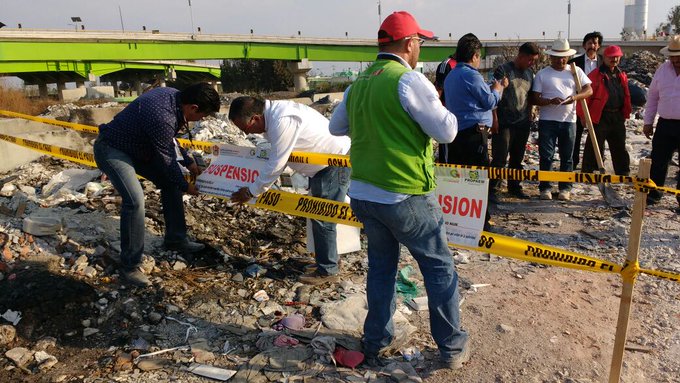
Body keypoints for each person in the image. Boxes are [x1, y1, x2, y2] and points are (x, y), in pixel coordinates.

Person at [329, 11, 469, 370]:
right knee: (439, 270)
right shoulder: (408, 80)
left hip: (364, 195)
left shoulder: (358, 84)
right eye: (419, 42)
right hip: (404, 194)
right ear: (409, 44)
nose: (419, 48)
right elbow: (447, 131)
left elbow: (336, 127)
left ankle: (376, 341)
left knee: (381, 269)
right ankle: (452, 349)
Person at [94, 82, 220, 287]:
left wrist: (188, 161)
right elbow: (166, 159)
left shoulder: (174, 96)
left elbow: (169, 140)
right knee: (135, 201)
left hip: (138, 148)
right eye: (202, 115)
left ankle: (176, 239)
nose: (202, 120)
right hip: (112, 149)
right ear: (193, 108)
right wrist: (185, 185)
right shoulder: (162, 114)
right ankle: (129, 267)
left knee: (169, 184)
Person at [228, 96, 351, 285]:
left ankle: (328, 270)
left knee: (322, 218)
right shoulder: (275, 116)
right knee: (317, 216)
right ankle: (326, 261)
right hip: (323, 167)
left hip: (332, 165)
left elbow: (277, 163)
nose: (247, 134)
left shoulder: (283, 119)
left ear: (255, 118)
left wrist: (251, 191)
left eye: (246, 129)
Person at [444, 33, 507, 222]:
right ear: (474, 56)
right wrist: (498, 89)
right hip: (474, 134)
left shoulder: (452, 75)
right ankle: (481, 221)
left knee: (460, 180)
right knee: (478, 180)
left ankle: (462, 220)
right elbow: (488, 101)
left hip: (457, 134)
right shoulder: (471, 74)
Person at [530, 38, 593, 201]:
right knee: (546, 156)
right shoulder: (543, 74)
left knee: (567, 156)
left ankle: (565, 188)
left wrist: (574, 97)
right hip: (548, 120)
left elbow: (589, 90)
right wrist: (550, 101)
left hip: (569, 121)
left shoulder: (575, 71)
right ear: (551, 57)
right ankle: (545, 188)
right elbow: (535, 98)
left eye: (564, 57)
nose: (561, 60)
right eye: (557, 57)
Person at [489, 42, 540, 199]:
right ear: (521, 56)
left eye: (534, 60)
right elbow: (494, 94)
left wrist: (531, 111)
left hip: (523, 122)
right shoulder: (503, 70)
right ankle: (493, 190)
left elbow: (530, 96)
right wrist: (494, 119)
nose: (532, 63)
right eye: (530, 59)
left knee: (517, 159)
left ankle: (514, 187)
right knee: (500, 158)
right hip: (504, 122)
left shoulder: (530, 73)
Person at [578, 45, 632, 176]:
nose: (614, 59)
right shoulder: (596, 75)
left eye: (616, 57)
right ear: (605, 58)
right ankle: (590, 171)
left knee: (619, 144)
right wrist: (583, 116)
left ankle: (623, 171)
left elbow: (625, 95)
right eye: (611, 57)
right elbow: (585, 96)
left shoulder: (621, 75)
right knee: (595, 143)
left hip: (617, 115)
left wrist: (625, 112)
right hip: (601, 115)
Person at [643, 35, 680, 207]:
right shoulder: (663, 70)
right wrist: (648, 122)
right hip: (665, 123)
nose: (675, 60)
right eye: (673, 56)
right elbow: (653, 97)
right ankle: (654, 194)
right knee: (658, 160)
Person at [569, 31, 603, 170]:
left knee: (596, 136)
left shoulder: (603, 63)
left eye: (595, 43)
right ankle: (573, 162)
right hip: (578, 104)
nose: (592, 46)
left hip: (596, 104)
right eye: (589, 43)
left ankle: (592, 165)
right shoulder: (574, 63)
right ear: (584, 45)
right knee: (575, 136)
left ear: (599, 46)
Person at [434, 54, 457, 163]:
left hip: (461, 116)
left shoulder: (467, 67)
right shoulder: (447, 64)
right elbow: (439, 88)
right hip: (446, 114)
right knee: (447, 153)